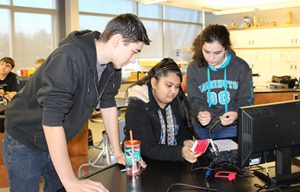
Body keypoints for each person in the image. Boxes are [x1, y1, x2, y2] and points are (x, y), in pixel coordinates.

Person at [2, 13, 150, 192]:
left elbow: (108, 103)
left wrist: (117, 152)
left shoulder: (113, 65)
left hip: (57, 139)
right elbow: (52, 121)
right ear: (117, 41)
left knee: (58, 188)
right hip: (25, 136)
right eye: (134, 51)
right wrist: (71, 181)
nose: (133, 59)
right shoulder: (68, 58)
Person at [123, 58, 201, 163]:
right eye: (168, 85)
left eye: (177, 86)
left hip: (171, 163)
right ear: (154, 82)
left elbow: (183, 129)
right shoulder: (138, 106)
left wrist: (185, 142)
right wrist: (180, 152)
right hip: (143, 165)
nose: (173, 91)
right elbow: (146, 148)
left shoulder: (177, 99)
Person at [187, 24, 253, 140]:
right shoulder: (194, 68)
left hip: (231, 129)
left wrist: (236, 113)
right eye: (206, 51)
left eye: (217, 53)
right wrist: (201, 111)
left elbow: (246, 99)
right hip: (202, 130)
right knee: (204, 158)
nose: (211, 58)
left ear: (226, 48)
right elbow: (194, 99)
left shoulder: (241, 67)